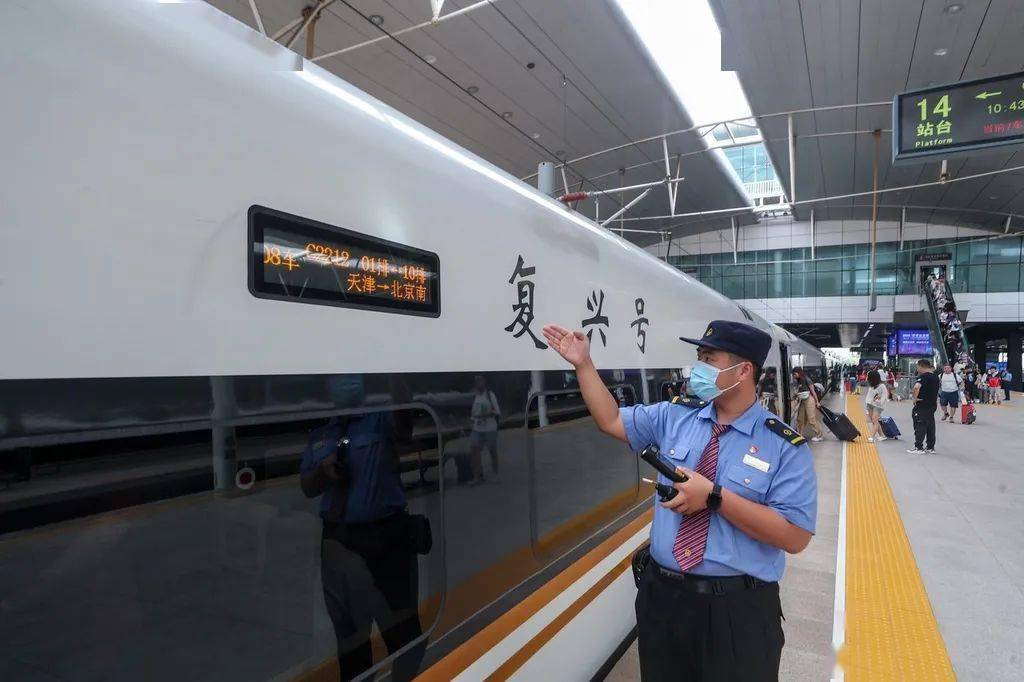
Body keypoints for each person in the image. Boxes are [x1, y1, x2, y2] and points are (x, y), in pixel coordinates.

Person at [541, 320, 817, 681]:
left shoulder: (784, 447)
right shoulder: (675, 416)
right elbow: (610, 420)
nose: (698, 367)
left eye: (709, 358)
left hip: (737, 611)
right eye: (699, 356)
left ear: (743, 371)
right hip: (663, 600)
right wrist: (583, 364)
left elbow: (795, 537)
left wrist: (715, 498)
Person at [300, 410, 426, 681]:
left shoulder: (380, 419)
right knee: (351, 643)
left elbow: (404, 428)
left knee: (405, 636)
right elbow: (307, 486)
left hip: (385, 540)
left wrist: (393, 386)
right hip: (338, 544)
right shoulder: (321, 433)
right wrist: (324, 472)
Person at [468, 374, 501, 485]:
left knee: (492, 450)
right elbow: (473, 412)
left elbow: (497, 411)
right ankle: (477, 476)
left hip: (490, 428)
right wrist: (473, 420)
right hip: (477, 428)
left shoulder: (490, 395)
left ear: (484, 382)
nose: (478, 383)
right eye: (476, 381)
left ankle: (495, 473)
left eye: (480, 380)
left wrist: (485, 415)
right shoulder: (474, 396)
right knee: (474, 449)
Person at [907, 359, 940, 455]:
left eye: (917, 367)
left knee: (920, 424)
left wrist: (914, 398)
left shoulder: (924, 376)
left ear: (921, 366)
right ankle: (930, 447)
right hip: (932, 404)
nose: (917, 369)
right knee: (930, 425)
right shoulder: (935, 377)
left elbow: (916, 387)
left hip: (922, 404)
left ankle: (918, 447)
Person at [791, 368, 825, 442]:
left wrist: (817, 402)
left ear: (799, 372)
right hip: (802, 401)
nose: (794, 376)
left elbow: (813, 391)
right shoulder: (797, 381)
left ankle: (819, 435)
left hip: (809, 399)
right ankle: (799, 434)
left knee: (811, 418)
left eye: (794, 374)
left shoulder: (807, 379)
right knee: (800, 418)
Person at [864, 370, 889, 443]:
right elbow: (869, 396)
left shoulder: (882, 386)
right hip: (870, 404)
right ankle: (882, 436)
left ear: (873, 378)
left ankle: (872, 437)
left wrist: (879, 401)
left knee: (874, 420)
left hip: (878, 406)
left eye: (868, 377)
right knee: (874, 421)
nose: (867, 378)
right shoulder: (871, 385)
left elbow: (885, 396)